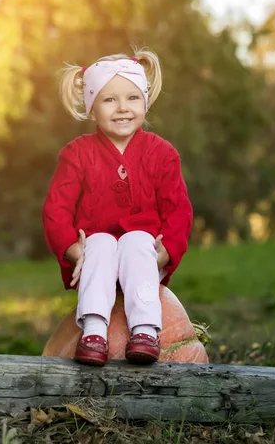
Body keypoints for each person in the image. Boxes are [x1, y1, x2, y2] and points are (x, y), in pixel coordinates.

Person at [42, 50, 193, 366]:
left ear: (145, 102)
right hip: (94, 255)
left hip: (144, 255)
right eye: (109, 100)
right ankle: (94, 332)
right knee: (100, 242)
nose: (123, 108)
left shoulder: (162, 154)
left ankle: (145, 330)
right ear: (91, 108)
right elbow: (56, 209)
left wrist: (169, 249)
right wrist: (71, 248)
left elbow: (178, 210)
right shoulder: (77, 154)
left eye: (132, 98)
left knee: (137, 240)